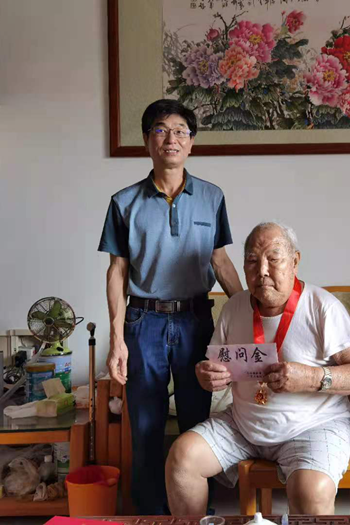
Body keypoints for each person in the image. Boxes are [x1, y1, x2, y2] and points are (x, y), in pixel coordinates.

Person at [165, 222, 350, 515]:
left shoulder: (322, 306)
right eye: (252, 261)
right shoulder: (234, 307)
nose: (262, 270)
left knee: (311, 492)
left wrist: (313, 377)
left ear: (295, 262)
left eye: (273, 259)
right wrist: (207, 376)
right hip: (243, 425)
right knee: (182, 459)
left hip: (313, 426)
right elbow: (215, 368)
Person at [98, 99, 243, 515]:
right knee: (145, 426)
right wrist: (116, 340)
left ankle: (197, 515)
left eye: (181, 131)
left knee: (199, 427)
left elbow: (220, 261)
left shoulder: (212, 197)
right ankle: (150, 514)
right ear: (148, 140)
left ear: (191, 142)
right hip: (144, 321)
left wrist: (250, 313)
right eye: (161, 130)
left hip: (197, 319)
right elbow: (117, 271)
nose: (171, 139)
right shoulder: (124, 202)